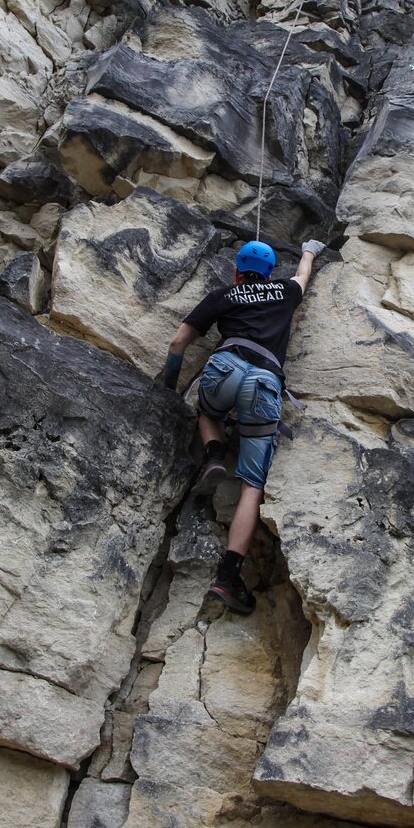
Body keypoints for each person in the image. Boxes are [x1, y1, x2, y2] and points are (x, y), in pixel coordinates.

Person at [160, 237, 325, 615]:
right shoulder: (285, 290)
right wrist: (310, 250)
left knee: (207, 411)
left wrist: (169, 389)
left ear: (237, 273)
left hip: (225, 367)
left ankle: (214, 452)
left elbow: (177, 342)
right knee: (252, 485)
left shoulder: (224, 295)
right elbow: (303, 275)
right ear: (269, 273)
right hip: (265, 381)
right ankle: (228, 576)